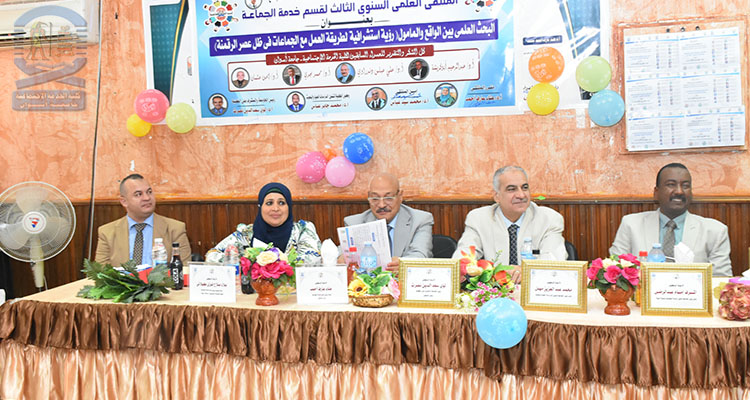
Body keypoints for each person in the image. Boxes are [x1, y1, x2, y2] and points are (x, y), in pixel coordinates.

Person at [610, 163, 731, 276]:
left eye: (685, 186)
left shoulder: (715, 231)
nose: (679, 191)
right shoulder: (631, 225)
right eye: (671, 185)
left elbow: (721, 279)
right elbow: (616, 273)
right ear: (656, 192)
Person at [453, 166, 567, 280]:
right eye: (511, 189)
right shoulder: (478, 219)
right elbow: (463, 257)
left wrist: (525, 271)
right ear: (497, 196)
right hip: (494, 287)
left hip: (535, 285)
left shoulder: (549, 219)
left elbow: (555, 260)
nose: (521, 195)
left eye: (525, 188)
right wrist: (466, 269)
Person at [206, 182, 321, 265]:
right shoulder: (246, 233)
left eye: (281, 203)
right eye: (269, 203)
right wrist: (246, 263)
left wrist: (273, 263)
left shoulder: (302, 230)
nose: (275, 208)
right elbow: (211, 255)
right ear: (260, 207)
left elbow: (314, 259)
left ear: (289, 207)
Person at [95, 174, 192, 266]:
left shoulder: (175, 229)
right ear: (124, 201)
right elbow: (100, 272)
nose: (147, 198)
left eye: (149, 192)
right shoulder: (107, 233)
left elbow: (184, 270)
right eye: (138, 194)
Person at [344, 173, 433, 271]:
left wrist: (404, 264)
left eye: (388, 198)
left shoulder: (420, 220)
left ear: (400, 196)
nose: (381, 205)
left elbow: (421, 255)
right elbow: (341, 254)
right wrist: (342, 258)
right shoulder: (354, 223)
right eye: (375, 198)